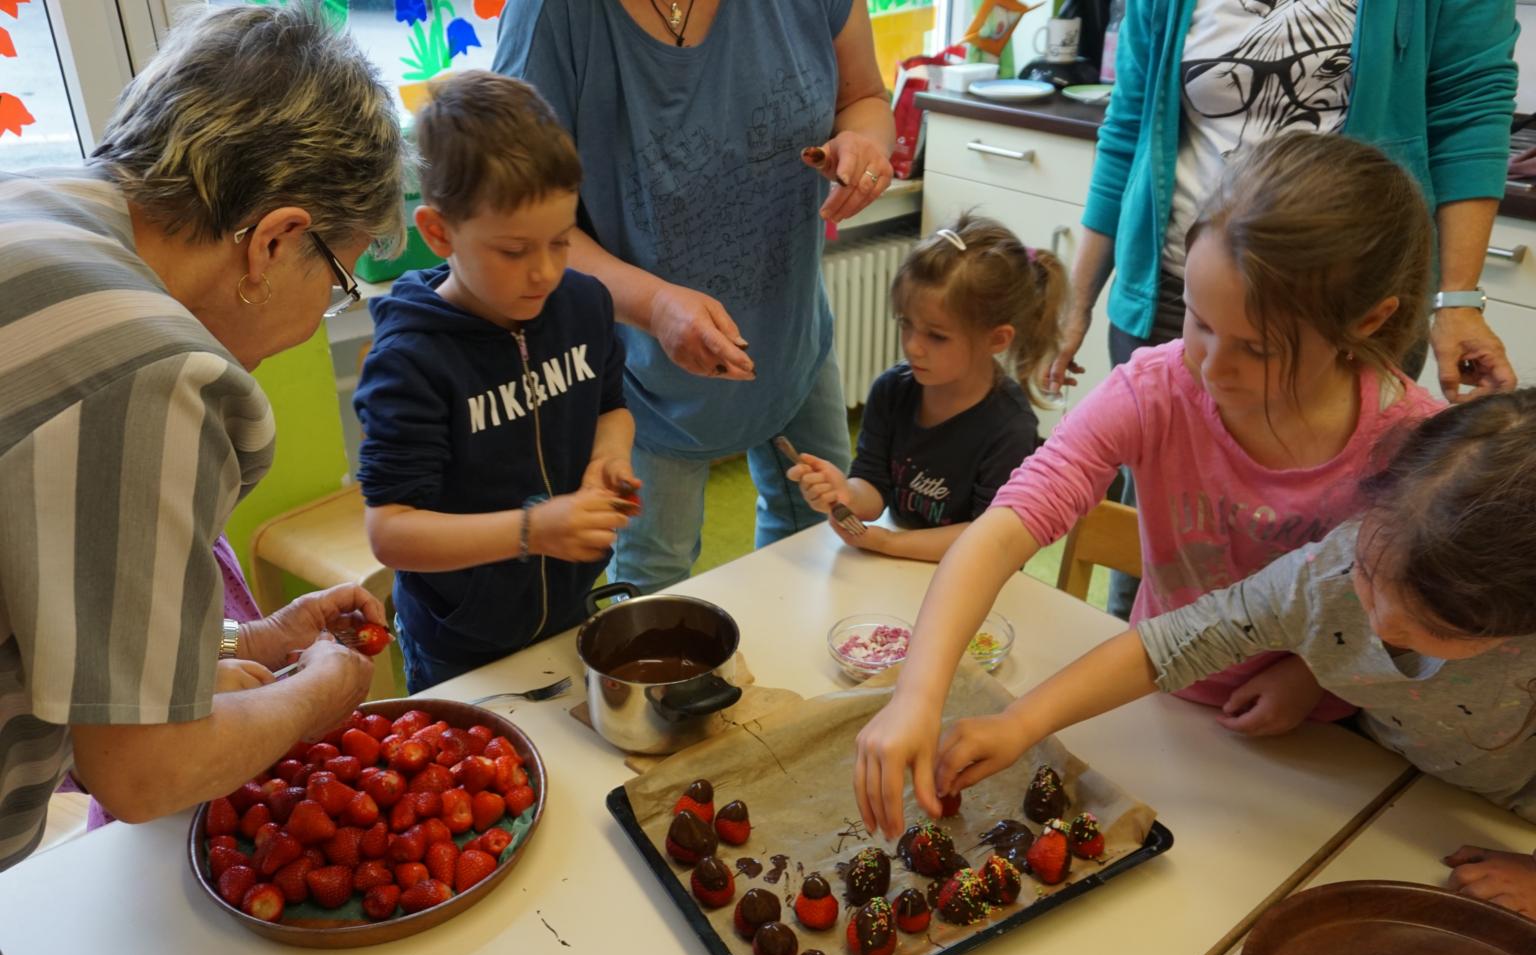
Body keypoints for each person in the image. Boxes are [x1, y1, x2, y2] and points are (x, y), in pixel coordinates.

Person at [853, 132, 1446, 838]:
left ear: (1367, 322)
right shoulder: (1156, 389)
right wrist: (920, 694)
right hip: (1153, 700)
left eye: (1256, 348)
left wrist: (1311, 675)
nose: (1211, 366)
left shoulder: (1414, 446)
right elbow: (1005, 528)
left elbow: (1408, 615)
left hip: (1323, 747)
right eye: (1198, 320)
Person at [0, 3, 404, 871]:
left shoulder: (38, 208)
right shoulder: (147, 364)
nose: (323, 317)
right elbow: (145, 772)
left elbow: (53, 612)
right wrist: (320, 695)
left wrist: (245, 641)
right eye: (338, 281)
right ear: (274, 241)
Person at [934, 390, 1536, 918]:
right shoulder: (1331, 570)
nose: (1377, 620)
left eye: (1423, 626)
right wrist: (1020, 722)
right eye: (1372, 575)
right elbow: (1175, 643)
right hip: (1389, 791)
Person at [1046, 0, 1521, 619]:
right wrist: (1079, 302)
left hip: (1327, 302)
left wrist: (1455, 298)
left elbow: (1470, 114)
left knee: (1325, 542)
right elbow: (1127, 125)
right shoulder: (1163, 370)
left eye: (1257, 348)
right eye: (1208, 335)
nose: (1214, 371)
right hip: (1174, 282)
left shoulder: (1393, 412)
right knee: (1159, 525)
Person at [495, 0, 895, 593]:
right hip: (640, 377)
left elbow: (864, 96)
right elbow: (517, 220)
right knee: (654, 583)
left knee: (822, 542)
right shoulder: (552, 16)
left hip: (792, 335)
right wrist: (655, 305)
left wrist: (864, 143)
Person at [355, 72, 634, 693]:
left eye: (560, 242)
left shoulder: (584, 303)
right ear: (438, 233)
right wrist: (534, 531)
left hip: (570, 610)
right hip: (462, 644)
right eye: (513, 251)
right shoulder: (411, 361)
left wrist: (607, 461)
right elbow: (391, 531)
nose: (543, 273)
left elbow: (612, 408)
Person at [785, 215, 1059, 562]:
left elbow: (986, 536)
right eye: (906, 325)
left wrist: (887, 543)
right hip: (904, 563)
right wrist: (846, 493)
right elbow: (874, 486)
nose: (913, 347)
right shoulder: (892, 390)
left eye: (937, 336)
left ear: (997, 339)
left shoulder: (1010, 426)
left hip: (973, 574)